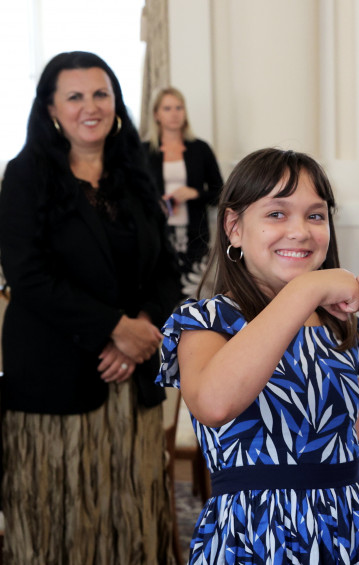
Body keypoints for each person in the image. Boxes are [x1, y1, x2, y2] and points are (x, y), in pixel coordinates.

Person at [157, 148, 359, 564]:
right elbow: (214, 404)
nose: (300, 231)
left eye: (315, 215)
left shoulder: (341, 329)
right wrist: (306, 289)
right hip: (256, 540)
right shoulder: (205, 323)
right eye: (276, 214)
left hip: (350, 536)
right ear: (234, 228)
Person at [0, 51, 181, 564]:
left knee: (131, 520)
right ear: (51, 109)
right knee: (61, 524)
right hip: (54, 381)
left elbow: (165, 269)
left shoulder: (135, 173)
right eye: (75, 96)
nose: (91, 106)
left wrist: (140, 327)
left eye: (101, 94)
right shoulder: (25, 175)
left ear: (117, 102)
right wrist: (113, 329)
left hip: (132, 379)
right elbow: (28, 276)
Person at [144, 86, 224, 297]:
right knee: (162, 291)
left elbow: (220, 192)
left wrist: (194, 193)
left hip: (195, 234)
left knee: (196, 293)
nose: (174, 113)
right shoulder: (144, 151)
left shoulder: (201, 149)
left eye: (179, 107)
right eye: (167, 108)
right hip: (158, 233)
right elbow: (135, 194)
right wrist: (156, 202)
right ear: (156, 114)